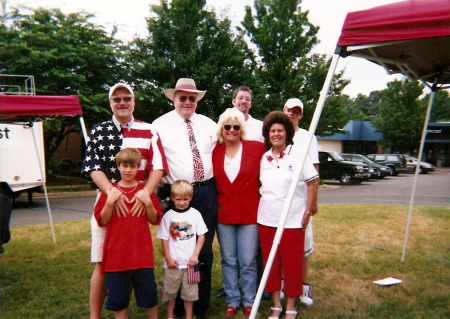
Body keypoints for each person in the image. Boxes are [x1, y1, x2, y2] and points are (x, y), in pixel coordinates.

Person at [81, 83, 168, 319]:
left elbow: (158, 167)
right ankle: (94, 316)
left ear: (133, 101)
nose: (122, 102)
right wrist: (112, 194)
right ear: (110, 102)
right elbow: (92, 167)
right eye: (116, 98)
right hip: (109, 197)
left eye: (126, 98)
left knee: (134, 260)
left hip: (139, 198)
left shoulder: (149, 130)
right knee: (102, 261)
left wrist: (145, 195)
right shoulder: (99, 131)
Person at [152, 78, 217, 318]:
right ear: (174, 99)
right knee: (180, 247)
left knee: (202, 249)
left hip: (206, 192)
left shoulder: (210, 124)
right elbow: (155, 160)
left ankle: (198, 302)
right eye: (182, 98)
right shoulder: (159, 126)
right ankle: (177, 303)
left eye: (192, 98)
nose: (187, 102)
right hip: (177, 195)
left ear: (196, 100)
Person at [258, 111, 318, 319]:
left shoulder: (299, 154)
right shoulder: (264, 158)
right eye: (272, 131)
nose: (276, 134)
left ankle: (291, 305)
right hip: (266, 220)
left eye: (280, 131)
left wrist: (308, 210)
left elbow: (312, 182)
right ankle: (276, 304)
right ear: (268, 134)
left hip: (292, 221)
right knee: (271, 263)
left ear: (287, 133)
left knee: (292, 264)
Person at [93, 148, 162, 319]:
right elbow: (102, 221)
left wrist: (148, 203)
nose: (128, 170)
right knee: (119, 300)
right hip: (117, 257)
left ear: (139, 167)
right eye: (124, 166)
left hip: (142, 256)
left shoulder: (145, 192)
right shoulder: (110, 192)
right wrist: (110, 202)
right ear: (118, 167)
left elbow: (154, 219)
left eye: (133, 166)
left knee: (149, 297)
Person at [212, 108, 266, 317]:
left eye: (236, 127)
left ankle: (249, 300)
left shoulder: (256, 147)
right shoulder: (215, 150)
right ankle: (232, 300)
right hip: (225, 213)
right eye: (228, 127)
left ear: (241, 129)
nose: (232, 130)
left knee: (248, 260)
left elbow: (279, 150)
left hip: (249, 212)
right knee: (229, 259)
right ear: (222, 129)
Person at [283, 98, 319, 306]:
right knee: (282, 243)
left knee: (303, 245)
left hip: (301, 197)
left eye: (296, 111)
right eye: (289, 110)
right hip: (280, 198)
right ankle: (282, 284)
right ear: (284, 110)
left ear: (301, 115)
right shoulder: (276, 131)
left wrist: (312, 202)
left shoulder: (307, 137)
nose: (292, 114)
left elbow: (314, 170)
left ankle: (304, 286)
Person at [156, 180, 208, 319]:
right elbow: (164, 239)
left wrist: (195, 255)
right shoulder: (168, 216)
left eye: (185, 199)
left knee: (190, 293)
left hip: (191, 264)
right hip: (173, 263)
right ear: (172, 198)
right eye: (178, 199)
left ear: (190, 198)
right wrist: (168, 258)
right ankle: (170, 315)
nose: (182, 202)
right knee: (170, 292)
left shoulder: (195, 214)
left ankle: (189, 316)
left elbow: (201, 236)